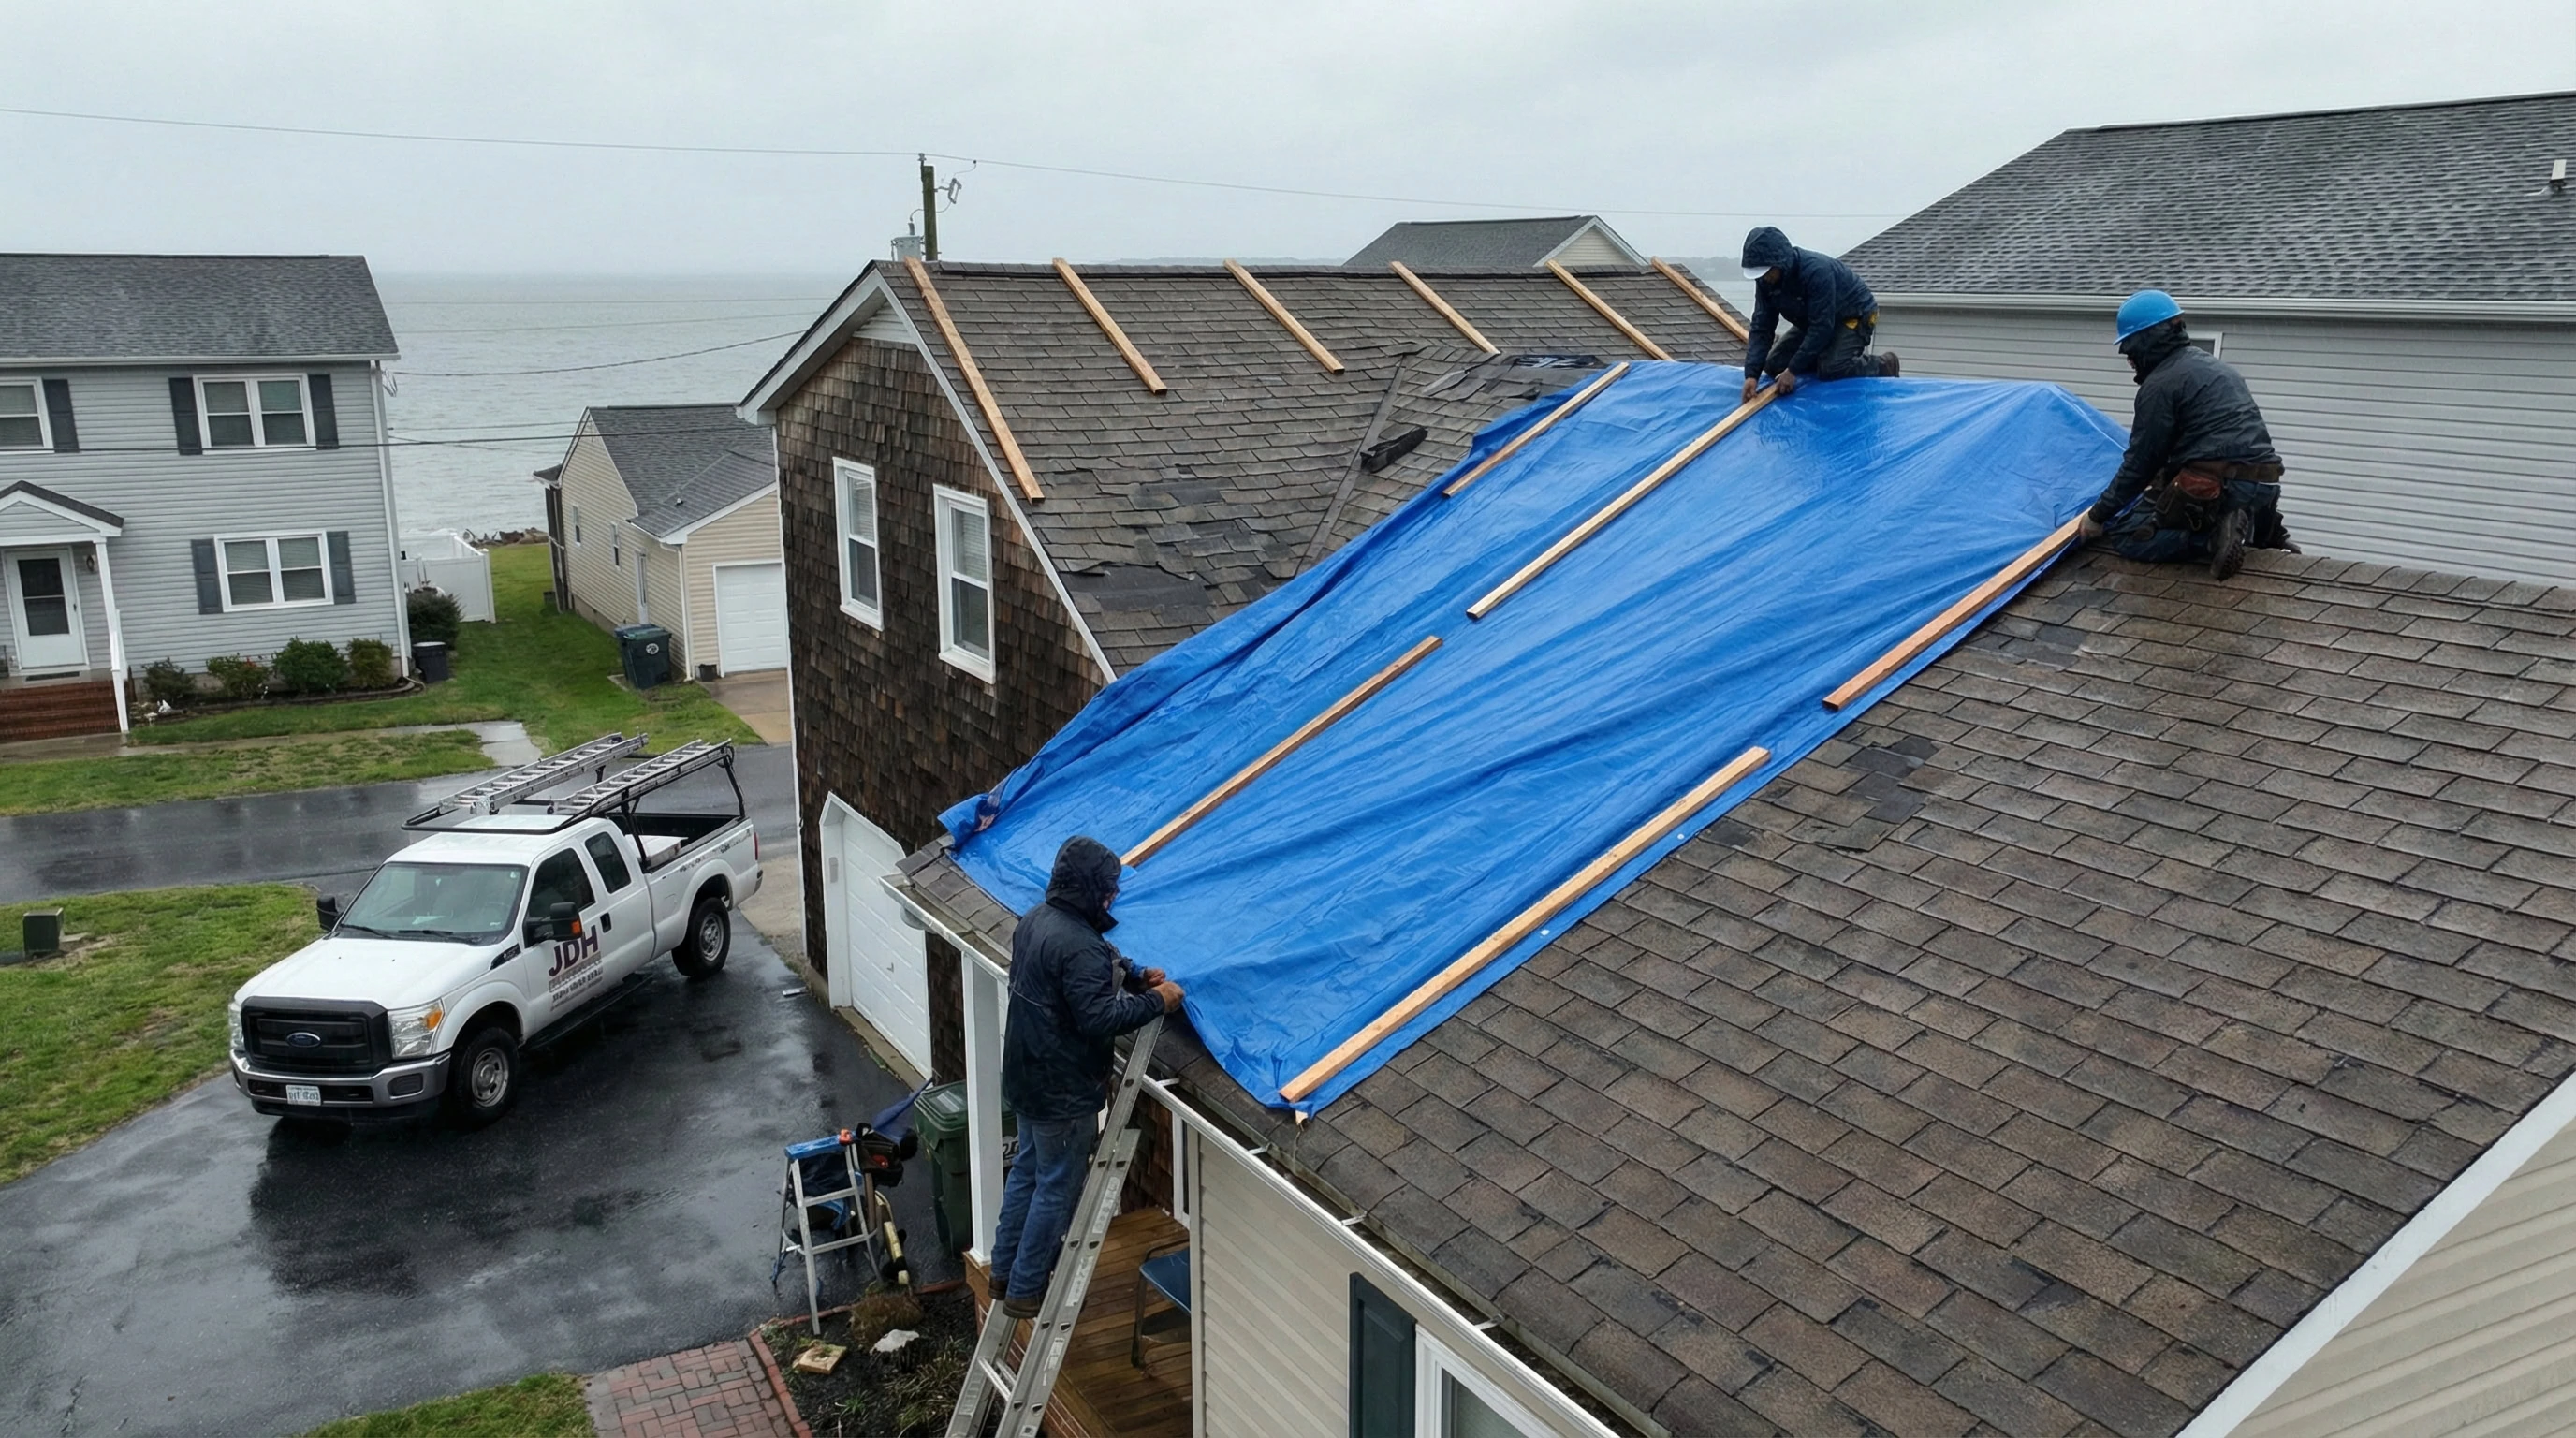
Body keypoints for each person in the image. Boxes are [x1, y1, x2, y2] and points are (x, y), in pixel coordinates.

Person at [986, 835, 1183, 1319]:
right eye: (1108, 889)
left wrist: (1133, 974)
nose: (1112, 897)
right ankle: (1028, 1290)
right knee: (1055, 1186)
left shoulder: (1036, 921)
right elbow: (1097, 1018)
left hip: (1026, 1080)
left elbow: (1092, 960)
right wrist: (1158, 1000)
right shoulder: (1078, 945)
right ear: (1092, 890)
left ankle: (1004, 1275)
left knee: (1026, 1177)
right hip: (1063, 1091)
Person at [2076, 289, 2293, 580]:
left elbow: (2141, 463)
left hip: (2224, 487)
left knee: (2129, 531)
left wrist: (2097, 516)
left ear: (2146, 342)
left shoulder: (2159, 386)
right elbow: (2249, 449)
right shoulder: (2217, 369)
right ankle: (2255, 533)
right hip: (2264, 487)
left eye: (2130, 352)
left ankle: (2213, 539)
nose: (2130, 362)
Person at [1738, 225, 1900, 402]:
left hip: (1853, 314)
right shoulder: (1766, 282)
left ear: (1781, 262)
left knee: (1831, 368)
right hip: (1814, 319)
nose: (1764, 278)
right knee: (1773, 364)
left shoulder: (1816, 272)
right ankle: (1822, 358)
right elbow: (1762, 327)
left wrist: (1793, 370)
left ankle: (1885, 365)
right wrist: (1751, 374)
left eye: (1767, 272)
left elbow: (1822, 326)